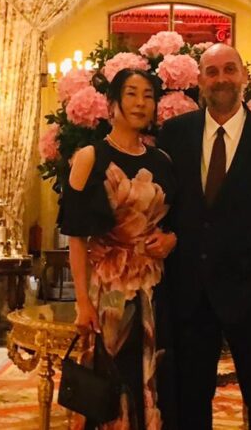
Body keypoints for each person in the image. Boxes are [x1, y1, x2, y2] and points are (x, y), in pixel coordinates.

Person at [156, 43, 251, 430]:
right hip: (189, 297)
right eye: (212, 71)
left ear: (244, 77)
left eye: (229, 69)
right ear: (199, 81)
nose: (221, 79)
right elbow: (162, 209)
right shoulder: (174, 135)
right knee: (187, 404)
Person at [60, 68, 178, 429]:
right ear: (112, 103)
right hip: (108, 289)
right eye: (131, 93)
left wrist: (173, 240)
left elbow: (178, 223)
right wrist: (82, 302)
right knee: (111, 381)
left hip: (157, 289)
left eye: (148, 95)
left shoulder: (162, 162)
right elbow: (76, 236)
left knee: (155, 377)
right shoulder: (90, 158)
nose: (141, 102)